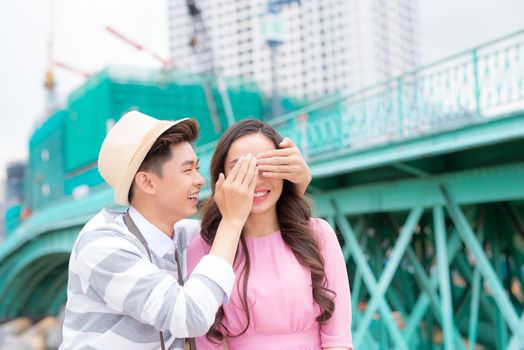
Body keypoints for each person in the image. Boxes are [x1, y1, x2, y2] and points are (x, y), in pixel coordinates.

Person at [60, 111, 312, 350]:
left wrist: (298, 184)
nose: (200, 180)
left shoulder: (185, 236)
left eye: (198, 168)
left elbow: (258, 232)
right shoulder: (102, 245)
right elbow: (189, 316)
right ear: (147, 182)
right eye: (187, 169)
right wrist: (231, 221)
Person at [187, 119, 353, 350]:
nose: (256, 179)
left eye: (267, 166)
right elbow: (207, 344)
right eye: (242, 169)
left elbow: (338, 340)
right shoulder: (204, 249)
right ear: (221, 179)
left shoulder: (318, 234)